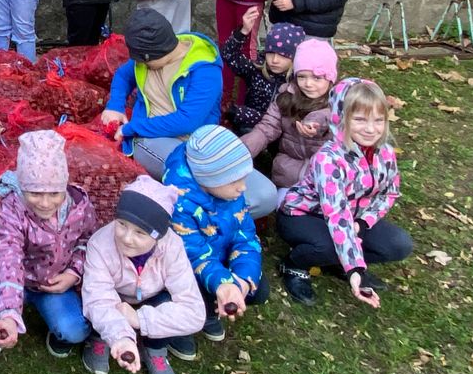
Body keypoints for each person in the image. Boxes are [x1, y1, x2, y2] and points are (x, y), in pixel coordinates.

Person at [101, 8, 280, 219]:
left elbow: (187, 121)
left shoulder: (205, 70)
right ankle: (200, 221)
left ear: (158, 52)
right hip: (151, 139)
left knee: (266, 195)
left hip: (200, 142)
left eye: (144, 61)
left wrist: (130, 127)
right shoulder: (149, 55)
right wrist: (115, 106)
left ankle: (190, 218)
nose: (141, 65)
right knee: (204, 182)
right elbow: (123, 75)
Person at [277, 78, 412, 307]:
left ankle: (339, 262)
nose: (371, 129)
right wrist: (356, 269)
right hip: (303, 216)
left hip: (350, 218)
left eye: (378, 120)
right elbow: (337, 217)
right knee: (328, 246)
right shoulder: (329, 159)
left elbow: (389, 194)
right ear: (341, 118)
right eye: (360, 119)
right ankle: (294, 264)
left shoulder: (386, 153)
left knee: (399, 244)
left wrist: (363, 223)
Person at [0, 130, 97, 360]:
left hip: (55, 282)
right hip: (20, 280)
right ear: (22, 187)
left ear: (64, 185)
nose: (45, 203)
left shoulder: (80, 207)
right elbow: (8, 255)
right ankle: (5, 316)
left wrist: (74, 273)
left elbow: (88, 240)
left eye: (54, 193)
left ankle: (57, 330)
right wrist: (10, 313)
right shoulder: (13, 209)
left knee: (74, 330)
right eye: (34, 193)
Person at [80, 176, 203, 374]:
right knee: (100, 305)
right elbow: (98, 297)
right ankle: (100, 336)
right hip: (114, 296)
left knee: (166, 301)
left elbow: (194, 312)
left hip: (150, 297)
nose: (127, 238)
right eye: (122, 224)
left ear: (158, 236)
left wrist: (139, 319)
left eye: (140, 232)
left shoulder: (172, 248)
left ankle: (155, 348)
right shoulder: (100, 244)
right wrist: (121, 338)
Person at [164, 125, 268, 355]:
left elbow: (246, 237)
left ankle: (209, 312)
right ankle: (177, 326)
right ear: (206, 178)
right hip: (186, 267)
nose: (243, 187)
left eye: (243, 178)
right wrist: (223, 284)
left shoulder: (230, 192)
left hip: (217, 259)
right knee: (189, 286)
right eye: (235, 181)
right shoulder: (180, 203)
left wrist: (240, 281)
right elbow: (194, 255)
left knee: (257, 289)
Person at [241, 38, 337, 197]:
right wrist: (241, 151)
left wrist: (321, 126)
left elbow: (346, 134)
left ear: (331, 78)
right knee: (286, 211)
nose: (308, 84)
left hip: (328, 180)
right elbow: (266, 129)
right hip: (288, 177)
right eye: (302, 76)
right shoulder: (286, 97)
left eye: (317, 78)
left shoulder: (340, 103)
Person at [221, 9, 303, 134]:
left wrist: (244, 114)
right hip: (250, 128)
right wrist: (243, 32)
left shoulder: (299, 81)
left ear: (294, 58)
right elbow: (228, 55)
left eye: (283, 55)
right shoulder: (256, 69)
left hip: (282, 132)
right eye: (270, 53)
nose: (275, 60)